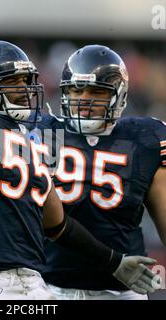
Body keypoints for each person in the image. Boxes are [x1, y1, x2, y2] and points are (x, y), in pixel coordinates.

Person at [0, 14, 160, 300]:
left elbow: (58, 224)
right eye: (13, 82)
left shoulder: (35, 135)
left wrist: (113, 262)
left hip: (32, 280)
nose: (26, 89)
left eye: (26, 80)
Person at [40, 44, 166, 300]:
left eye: (96, 91)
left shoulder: (145, 138)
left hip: (122, 291)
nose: (84, 99)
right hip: (47, 287)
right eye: (76, 90)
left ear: (118, 95)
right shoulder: (40, 133)